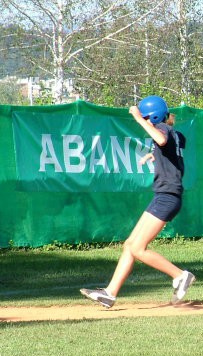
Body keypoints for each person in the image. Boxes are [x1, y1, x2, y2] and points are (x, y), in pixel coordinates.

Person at [80, 96, 195, 308]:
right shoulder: (174, 134)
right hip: (164, 195)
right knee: (129, 246)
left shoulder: (163, 130)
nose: (143, 120)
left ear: (154, 117)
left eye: (145, 117)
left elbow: (161, 140)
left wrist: (137, 118)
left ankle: (180, 275)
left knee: (139, 248)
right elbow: (169, 149)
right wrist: (155, 156)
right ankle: (110, 293)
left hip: (167, 197)